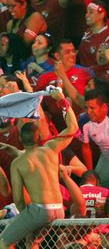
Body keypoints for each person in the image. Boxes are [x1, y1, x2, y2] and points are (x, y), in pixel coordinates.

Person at [0, 88, 78, 248]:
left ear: (20, 138)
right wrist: (62, 100)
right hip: (59, 209)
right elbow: (73, 127)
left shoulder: (18, 163)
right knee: (32, 244)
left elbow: (19, 200)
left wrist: (26, 221)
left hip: (40, 212)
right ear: (39, 137)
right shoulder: (51, 149)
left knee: (3, 242)